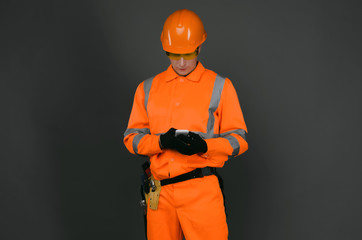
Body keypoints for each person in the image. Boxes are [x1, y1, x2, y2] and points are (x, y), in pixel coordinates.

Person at [123, 9, 248, 240]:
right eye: (173, 54)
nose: (181, 62)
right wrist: (160, 141)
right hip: (159, 195)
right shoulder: (147, 89)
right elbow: (131, 139)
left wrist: (205, 147)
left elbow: (239, 141)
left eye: (188, 54)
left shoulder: (220, 86)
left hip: (200, 190)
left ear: (200, 47)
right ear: (165, 49)